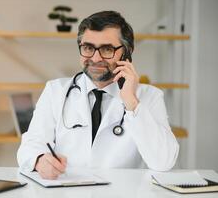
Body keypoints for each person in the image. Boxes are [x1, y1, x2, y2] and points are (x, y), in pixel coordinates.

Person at [17, 11, 179, 180]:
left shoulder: (149, 97)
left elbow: (164, 162)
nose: (95, 58)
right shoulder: (55, 90)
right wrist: (40, 160)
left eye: (107, 49)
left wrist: (132, 102)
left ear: (127, 52)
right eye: (88, 48)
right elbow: (30, 146)